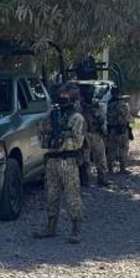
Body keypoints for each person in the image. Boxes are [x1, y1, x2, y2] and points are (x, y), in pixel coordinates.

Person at [35, 84, 86, 243]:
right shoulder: (52, 115)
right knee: (51, 195)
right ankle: (51, 227)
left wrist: (60, 138)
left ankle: (76, 229)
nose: (63, 98)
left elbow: (78, 142)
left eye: (66, 95)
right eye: (61, 95)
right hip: (52, 160)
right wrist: (52, 136)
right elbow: (41, 137)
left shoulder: (77, 118)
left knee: (72, 196)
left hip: (68, 160)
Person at [80, 86, 110, 187]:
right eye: (87, 93)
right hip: (84, 135)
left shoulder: (97, 105)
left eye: (91, 92)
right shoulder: (79, 106)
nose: (90, 94)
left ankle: (102, 179)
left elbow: (102, 119)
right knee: (85, 159)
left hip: (96, 133)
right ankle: (85, 180)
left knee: (100, 157)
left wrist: (103, 130)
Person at [106, 88, 132, 174]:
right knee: (123, 148)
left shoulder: (109, 104)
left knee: (111, 149)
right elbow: (127, 118)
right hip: (121, 129)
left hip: (111, 129)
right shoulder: (122, 104)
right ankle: (122, 168)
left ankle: (110, 169)